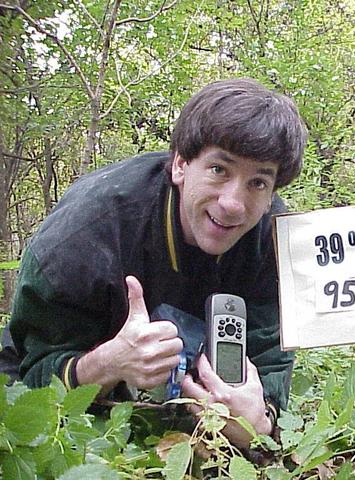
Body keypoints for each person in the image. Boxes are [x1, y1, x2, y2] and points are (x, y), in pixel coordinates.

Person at [5, 78, 307, 447]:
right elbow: (32, 372)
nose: (233, 204)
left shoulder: (273, 241)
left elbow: (270, 359)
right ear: (181, 164)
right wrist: (108, 364)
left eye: (258, 183)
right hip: (84, 419)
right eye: (219, 170)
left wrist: (258, 422)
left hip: (189, 425)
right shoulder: (81, 236)